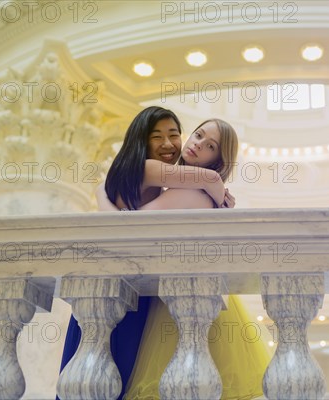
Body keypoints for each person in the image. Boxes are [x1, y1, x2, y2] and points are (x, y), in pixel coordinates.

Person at [58, 107, 233, 400]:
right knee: (95, 379)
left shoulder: (160, 182)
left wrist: (103, 197)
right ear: (142, 140)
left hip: (134, 289)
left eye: (174, 135)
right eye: (157, 136)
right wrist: (220, 197)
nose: (169, 144)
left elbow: (119, 212)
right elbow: (212, 181)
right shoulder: (148, 168)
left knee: (109, 380)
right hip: (113, 288)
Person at [120, 118, 270, 400]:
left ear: (217, 158)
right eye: (198, 135)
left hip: (181, 300)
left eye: (210, 145)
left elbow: (133, 224)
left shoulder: (191, 190)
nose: (198, 144)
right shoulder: (191, 186)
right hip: (180, 294)